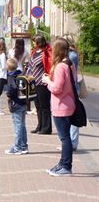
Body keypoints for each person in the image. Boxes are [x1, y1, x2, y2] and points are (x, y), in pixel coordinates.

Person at [42, 38, 76, 176]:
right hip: (67, 103)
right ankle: (62, 164)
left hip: (62, 106)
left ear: (57, 50)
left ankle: (66, 166)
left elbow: (57, 88)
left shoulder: (61, 67)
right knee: (65, 137)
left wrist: (48, 81)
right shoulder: (69, 64)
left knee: (64, 138)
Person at [26, 35, 52, 134]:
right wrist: (28, 75)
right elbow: (30, 66)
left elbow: (48, 65)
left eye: (35, 42)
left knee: (44, 106)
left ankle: (46, 127)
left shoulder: (45, 53)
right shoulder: (34, 53)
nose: (33, 43)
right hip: (34, 82)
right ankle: (39, 125)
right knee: (37, 105)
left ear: (39, 43)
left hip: (42, 83)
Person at [4, 58, 29, 155]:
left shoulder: (11, 76)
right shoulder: (20, 74)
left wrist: (9, 95)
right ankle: (24, 146)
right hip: (23, 102)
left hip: (16, 103)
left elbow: (12, 89)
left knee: (17, 126)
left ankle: (17, 147)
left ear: (8, 67)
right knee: (22, 125)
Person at [65, 35, 80, 151]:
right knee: (68, 116)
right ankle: (68, 142)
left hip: (73, 89)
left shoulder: (72, 56)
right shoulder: (70, 55)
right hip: (70, 88)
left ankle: (73, 143)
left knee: (73, 116)